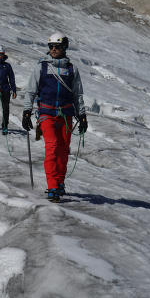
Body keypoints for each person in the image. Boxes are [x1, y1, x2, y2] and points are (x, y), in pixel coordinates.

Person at [22, 32, 88, 202]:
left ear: (64, 47)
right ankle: (52, 186)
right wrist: (27, 111)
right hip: (46, 114)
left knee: (63, 151)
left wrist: (82, 115)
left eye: (57, 46)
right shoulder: (41, 67)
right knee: (52, 148)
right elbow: (30, 91)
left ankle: (59, 182)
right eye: (51, 46)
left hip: (66, 115)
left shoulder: (72, 69)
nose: (53, 49)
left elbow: (78, 94)